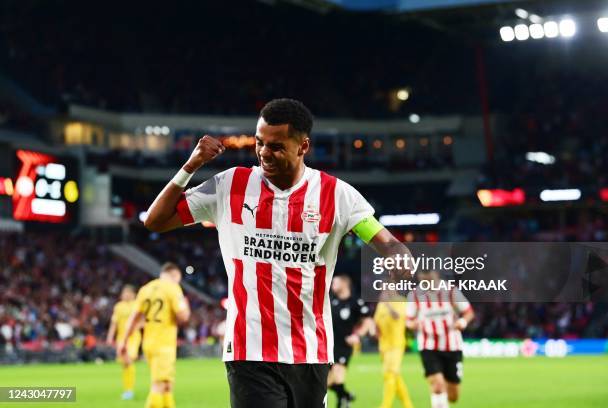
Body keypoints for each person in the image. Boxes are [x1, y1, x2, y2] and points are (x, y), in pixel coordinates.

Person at [143, 98, 412, 408]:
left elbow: (388, 243)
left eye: (276, 146)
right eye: (260, 143)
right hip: (250, 351)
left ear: (303, 146)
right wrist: (191, 166)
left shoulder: (337, 196)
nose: (264, 153)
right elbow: (156, 220)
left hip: (311, 352)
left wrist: (400, 260)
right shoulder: (231, 185)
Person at [120, 262, 191, 408]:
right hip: (164, 344)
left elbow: (134, 318)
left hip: (149, 343)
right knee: (158, 385)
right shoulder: (172, 288)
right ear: (175, 275)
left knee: (167, 385)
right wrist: (185, 303)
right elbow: (183, 317)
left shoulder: (146, 289)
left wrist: (124, 341)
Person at [406, 270, 474, 408]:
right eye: (422, 279)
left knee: (453, 396)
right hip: (428, 344)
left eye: (428, 278)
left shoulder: (451, 291)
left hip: (452, 345)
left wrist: (463, 322)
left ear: (436, 275)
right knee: (437, 384)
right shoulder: (414, 295)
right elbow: (408, 320)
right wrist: (412, 324)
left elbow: (468, 312)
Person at [328, 274, 373, 407]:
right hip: (327, 345)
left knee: (335, 377)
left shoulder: (355, 302)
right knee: (333, 381)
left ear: (344, 284)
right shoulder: (330, 301)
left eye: (335, 283)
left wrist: (357, 335)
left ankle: (343, 399)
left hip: (343, 345)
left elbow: (368, 321)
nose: (332, 285)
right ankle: (346, 396)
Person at [373, 290, 414, 408]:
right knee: (395, 375)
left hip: (396, 345)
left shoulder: (401, 302)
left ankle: (385, 405)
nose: (383, 292)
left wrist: (388, 304)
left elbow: (397, 317)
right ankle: (408, 405)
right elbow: (377, 321)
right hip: (383, 346)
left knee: (390, 374)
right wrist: (376, 331)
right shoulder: (381, 304)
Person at [106, 284, 142, 400]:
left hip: (133, 337)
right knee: (125, 364)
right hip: (121, 338)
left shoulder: (138, 305)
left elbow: (144, 321)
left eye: (127, 293)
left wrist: (135, 327)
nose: (125, 295)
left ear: (133, 294)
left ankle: (129, 391)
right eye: (124, 293)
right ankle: (127, 389)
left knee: (128, 360)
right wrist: (110, 337)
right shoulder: (118, 307)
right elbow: (114, 323)